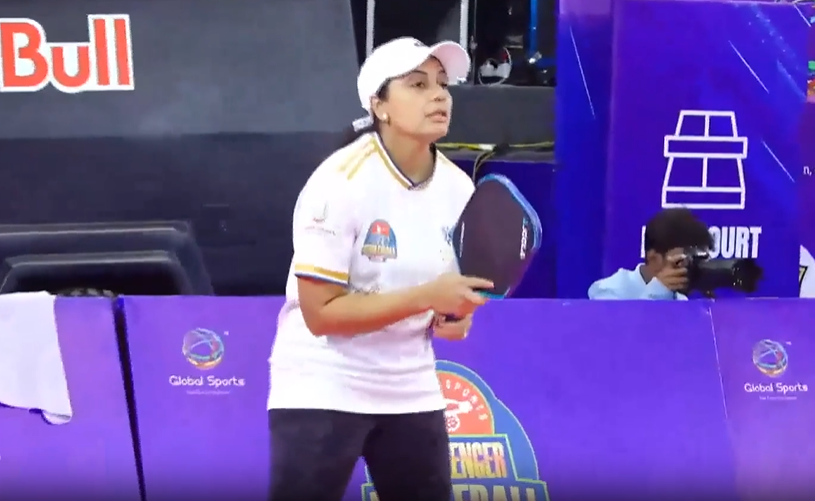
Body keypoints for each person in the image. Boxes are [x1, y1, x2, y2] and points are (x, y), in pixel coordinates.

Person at [267, 37, 492, 501]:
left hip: (411, 385)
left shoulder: (459, 189)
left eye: (443, 85)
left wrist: (452, 317)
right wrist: (426, 297)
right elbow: (321, 315)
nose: (439, 96)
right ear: (379, 106)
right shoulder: (339, 182)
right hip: (324, 382)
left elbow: (444, 299)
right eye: (418, 84)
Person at [588, 208, 713, 300]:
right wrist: (659, 292)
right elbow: (622, 328)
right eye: (681, 261)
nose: (686, 269)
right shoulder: (608, 291)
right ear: (653, 258)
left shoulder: (680, 300)